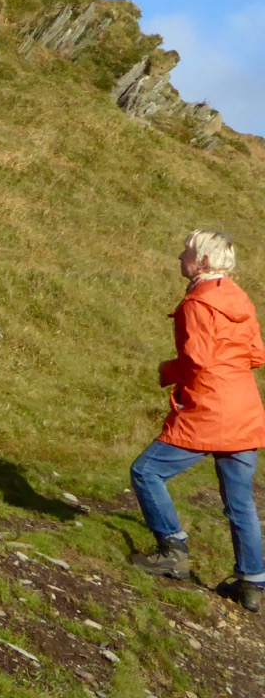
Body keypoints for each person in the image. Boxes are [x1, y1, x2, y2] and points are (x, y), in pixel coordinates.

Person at [129, 229, 265, 612]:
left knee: (146, 472)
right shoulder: (237, 297)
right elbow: (256, 354)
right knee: (241, 504)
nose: (179, 256)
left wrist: (166, 368)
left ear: (202, 262)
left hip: (208, 410)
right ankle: (252, 583)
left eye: (186, 252)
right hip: (244, 409)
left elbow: (198, 361)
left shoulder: (196, 304)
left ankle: (172, 548)